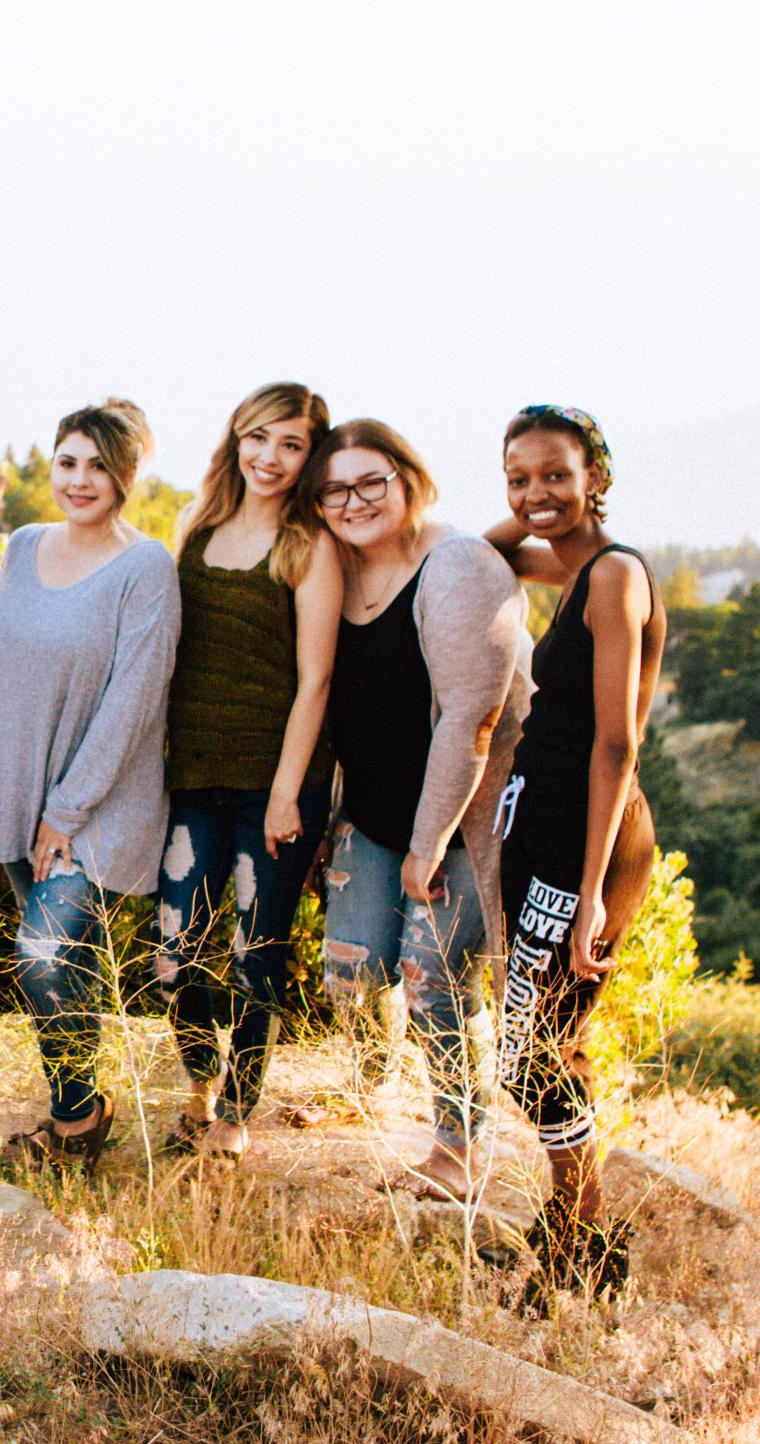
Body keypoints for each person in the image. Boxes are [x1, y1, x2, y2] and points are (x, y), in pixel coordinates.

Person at [303, 419, 529, 1204]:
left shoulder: (456, 564)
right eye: (335, 489)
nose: (354, 501)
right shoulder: (335, 566)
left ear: (408, 477)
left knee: (433, 977)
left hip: (460, 822)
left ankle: (460, 1148)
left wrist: (428, 844)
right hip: (368, 814)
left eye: (372, 482)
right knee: (351, 969)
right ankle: (375, 1094)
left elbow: (472, 716)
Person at [484, 404, 664, 1293]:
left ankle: (583, 1237)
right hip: (543, 826)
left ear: (597, 471)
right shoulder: (573, 563)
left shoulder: (615, 575)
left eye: (556, 473)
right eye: (518, 478)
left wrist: (590, 890)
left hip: (581, 841)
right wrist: (535, 512)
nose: (535, 494)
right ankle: (574, 1228)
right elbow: (481, 557)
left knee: (535, 1043)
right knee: (533, 1037)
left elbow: (616, 745)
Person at [0, 399, 180, 1170]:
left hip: (98, 804)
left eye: (100, 465)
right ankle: (76, 1116)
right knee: (61, 968)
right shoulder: (23, 544)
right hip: (21, 798)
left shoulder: (146, 566)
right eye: (69, 461)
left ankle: (79, 1115)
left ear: (128, 475)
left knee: (41, 954)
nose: (81, 479)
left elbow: (133, 701)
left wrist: (66, 810)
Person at [155, 383, 339, 1162]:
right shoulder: (196, 528)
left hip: (274, 780)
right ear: (235, 439)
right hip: (191, 773)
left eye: (291, 444)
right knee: (174, 947)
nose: (270, 456)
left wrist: (289, 793)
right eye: (258, 438)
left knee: (255, 947)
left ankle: (236, 1104)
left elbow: (316, 681)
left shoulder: (310, 546)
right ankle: (199, 1077)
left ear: (310, 456)